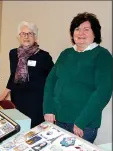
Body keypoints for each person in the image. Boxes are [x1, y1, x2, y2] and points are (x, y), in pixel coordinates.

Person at [43, 12, 112, 143]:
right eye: (77, 29)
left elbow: (103, 92)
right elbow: (50, 82)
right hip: (58, 119)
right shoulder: (66, 53)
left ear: (95, 33)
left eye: (86, 29)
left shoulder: (102, 55)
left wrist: (82, 121)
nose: (81, 33)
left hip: (82, 125)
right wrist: (48, 109)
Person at [0, 21, 54, 128]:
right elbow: (13, 75)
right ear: (19, 36)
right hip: (17, 99)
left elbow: (53, 81)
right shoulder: (13, 54)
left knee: (33, 131)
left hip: (36, 102)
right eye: (23, 34)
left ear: (35, 37)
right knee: (19, 127)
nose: (26, 36)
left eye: (30, 33)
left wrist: (50, 106)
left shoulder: (44, 56)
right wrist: (3, 95)